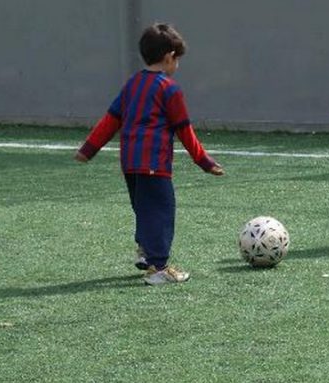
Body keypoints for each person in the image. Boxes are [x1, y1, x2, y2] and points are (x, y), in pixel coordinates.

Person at [75, 23, 224, 285]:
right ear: (169, 57)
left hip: (130, 163)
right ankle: (158, 269)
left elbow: (111, 120)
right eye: (178, 60)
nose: (177, 65)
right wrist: (204, 162)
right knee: (161, 211)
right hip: (154, 163)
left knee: (144, 209)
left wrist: (89, 149)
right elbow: (185, 131)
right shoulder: (170, 89)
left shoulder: (132, 84)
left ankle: (146, 252)